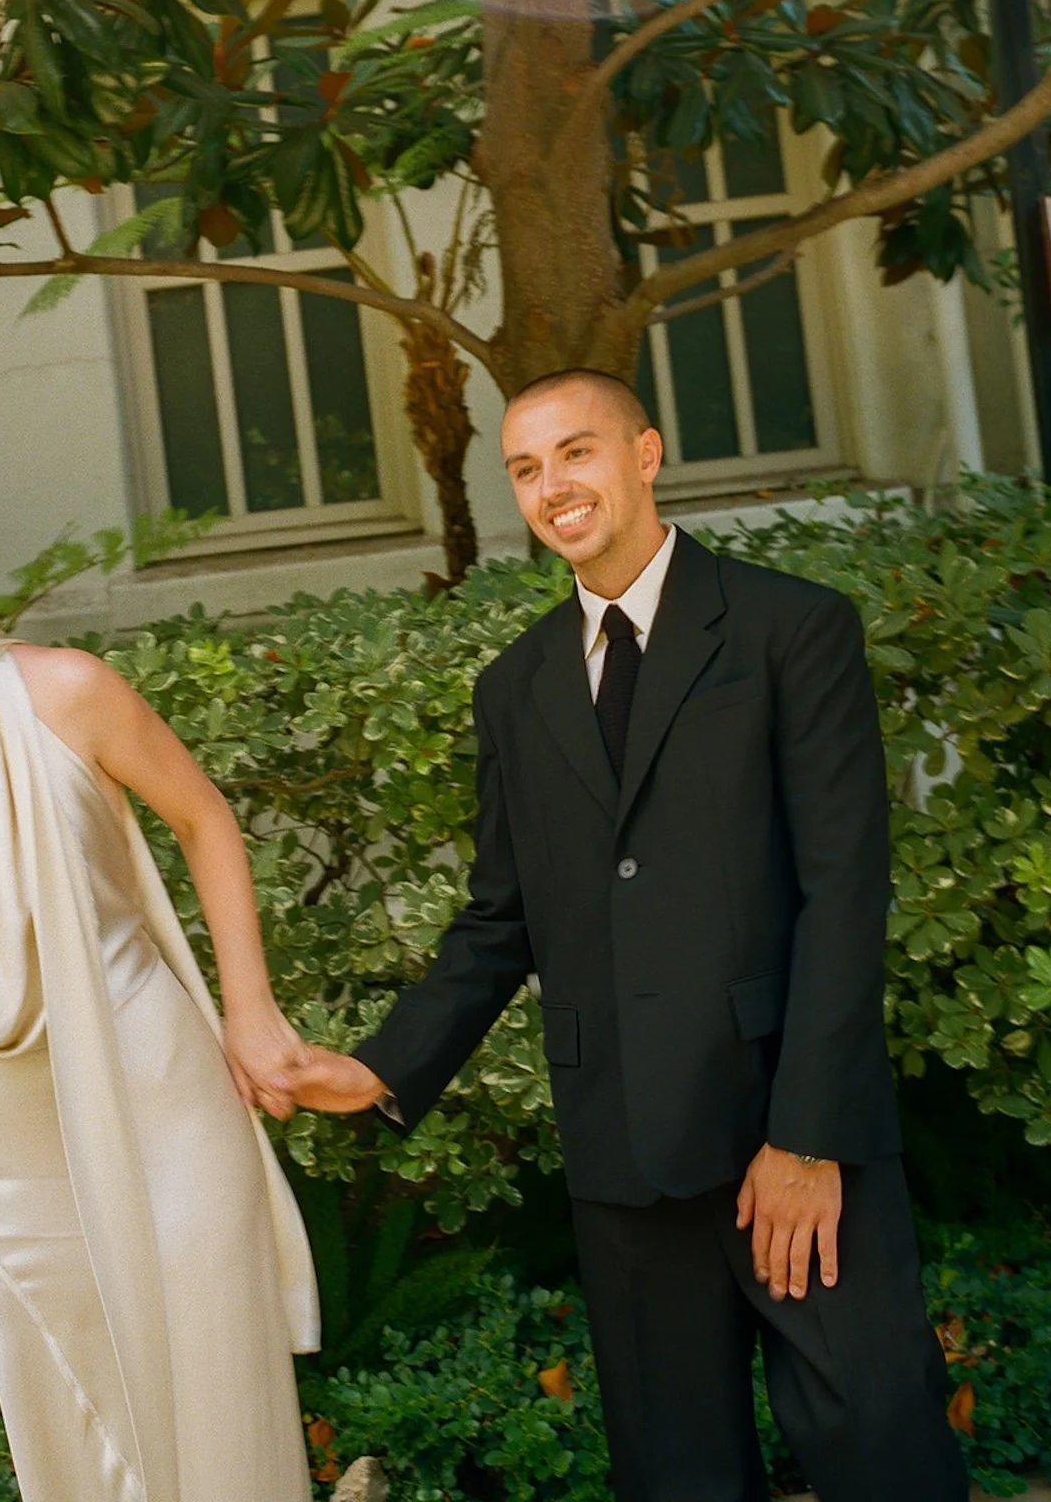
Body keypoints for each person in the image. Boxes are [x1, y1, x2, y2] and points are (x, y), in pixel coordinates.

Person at [282, 371, 967, 1502]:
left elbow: (845, 895)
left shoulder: (790, 629)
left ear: (645, 454)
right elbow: (500, 919)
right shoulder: (515, 690)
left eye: (577, 452)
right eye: (526, 469)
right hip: (623, 1152)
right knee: (676, 1476)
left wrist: (808, 1138)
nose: (554, 487)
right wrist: (377, 1069)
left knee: (880, 1446)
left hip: (785, 1137)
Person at [0, 465, 318, 1502]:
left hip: (159, 1095)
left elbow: (206, 821)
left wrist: (250, 1015)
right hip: (3, 1145)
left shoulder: (66, 690)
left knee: (215, 1400)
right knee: (70, 1418)